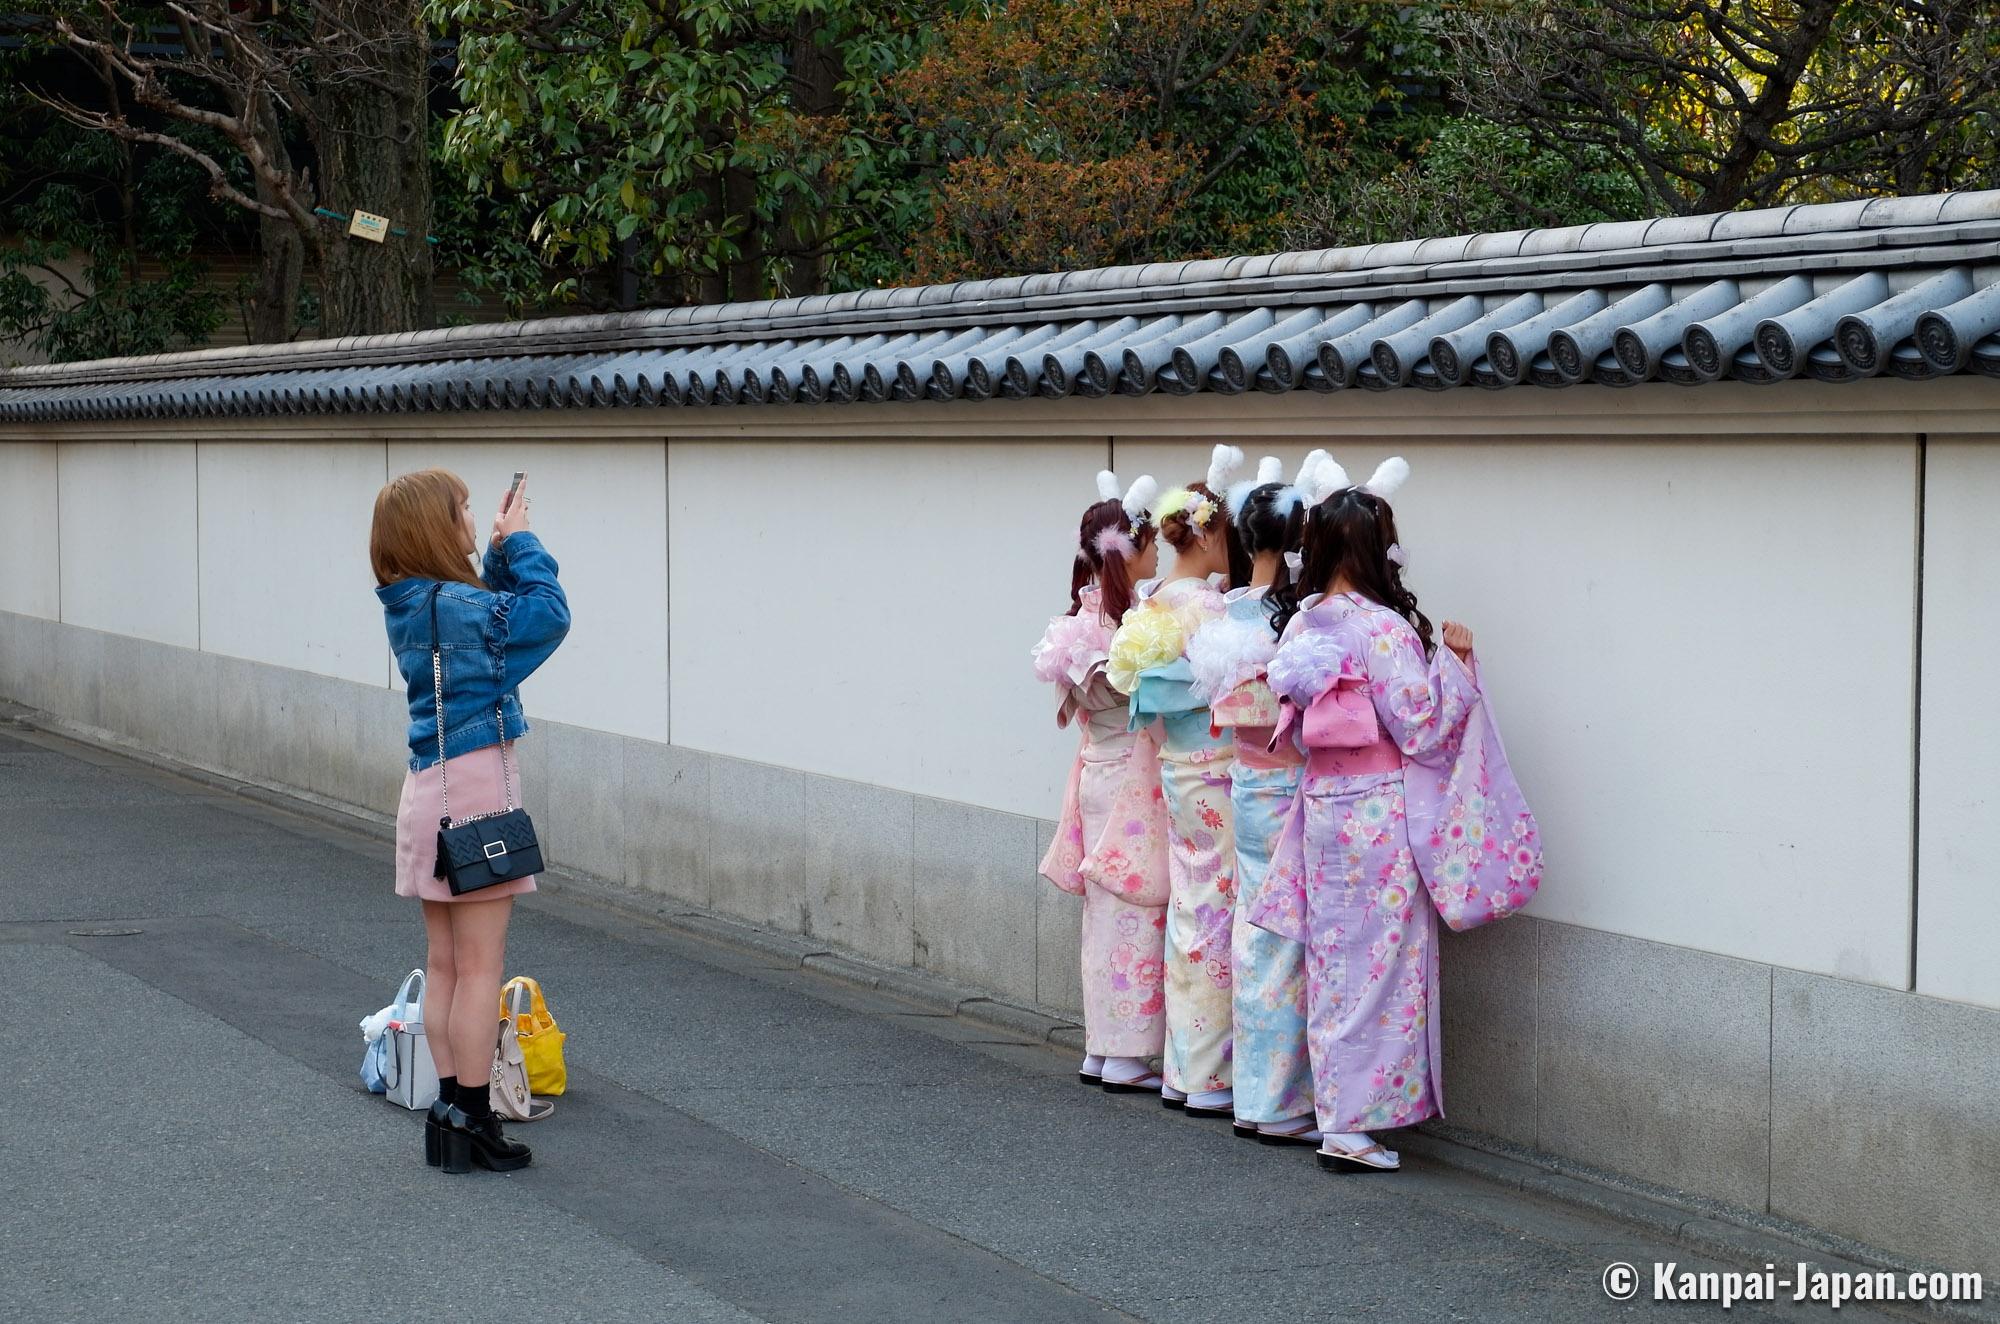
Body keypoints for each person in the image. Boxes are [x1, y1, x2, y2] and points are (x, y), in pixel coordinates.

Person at [1254, 456, 1540, 1172]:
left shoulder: (1304, 623)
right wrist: (1458, 662)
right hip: (1376, 812)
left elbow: (1288, 721)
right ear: (1378, 550)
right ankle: (1350, 1125)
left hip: (1322, 805)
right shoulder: (1382, 630)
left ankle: (1335, 1113)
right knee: (1380, 962)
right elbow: (1420, 726)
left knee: (1333, 960)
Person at [370, 468, 570, 1173]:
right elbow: (546, 615)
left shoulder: (413, 603)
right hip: (477, 790)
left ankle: (451, 1115)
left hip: (428, 788)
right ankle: (474, 1116)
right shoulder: (460, 608)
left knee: (447, 964)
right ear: (435, 525)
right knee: (482, 965)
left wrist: (495, 553)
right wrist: (522, 544)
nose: (467, 517)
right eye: (460, 509)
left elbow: (493, 626)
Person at [1185, 451, 1328, 1144]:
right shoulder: (1292, 624)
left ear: (1245, 538)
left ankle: (1252, 1095)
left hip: (1244, 783)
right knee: (1283, 941)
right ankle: (1275, 1102)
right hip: (1287, 787)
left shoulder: (1225, 613)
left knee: (1252, 932)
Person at [1106, 444, 1247, 1118]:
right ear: (1212, 530)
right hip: (1216, 770)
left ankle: (1180, 1069)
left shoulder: (1153, 600)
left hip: (1174, 767)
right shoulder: (1212, 612)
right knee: (1217, 916)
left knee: (1190, 914)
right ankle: (1208, 1075)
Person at [1034, 471, 1173, 1094]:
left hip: (1097, 769)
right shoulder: (1127, 627)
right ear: (1127, 551)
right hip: (1128, 779)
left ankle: (1101, 1047)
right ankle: (1124, 1053)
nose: (1157, 553)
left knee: (1105, 913)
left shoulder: (1079, 620)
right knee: (1134, 908)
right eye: (1148, 544)